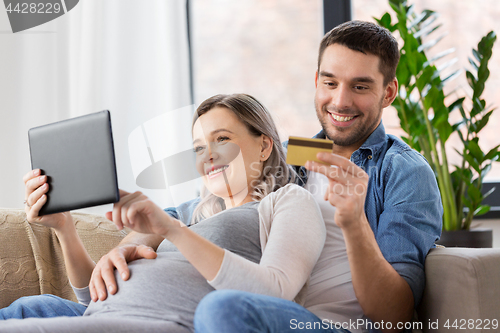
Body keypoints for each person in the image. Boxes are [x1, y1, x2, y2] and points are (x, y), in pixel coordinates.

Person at [0, 94, 326, 332]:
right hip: (99, 314)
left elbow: (276, 290)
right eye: (199, 147)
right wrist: (64, 228)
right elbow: (93, 293)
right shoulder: (182, 213)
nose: (208, 156)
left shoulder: (286, 201)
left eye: (222, 139)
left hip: (162, 320)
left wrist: (171, 229)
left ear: (265, 146)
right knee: (29, 307)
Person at [194, 21, 442, 332]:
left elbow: (395, 317)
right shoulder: (288, 154)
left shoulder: (404, 171)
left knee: (222, 309)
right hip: (274, 314)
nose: (340, 102)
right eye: (330, 83)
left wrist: (354, 222)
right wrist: (136, 237)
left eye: (360, 86)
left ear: (388, 92)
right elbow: (196, 207)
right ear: (316, 82)